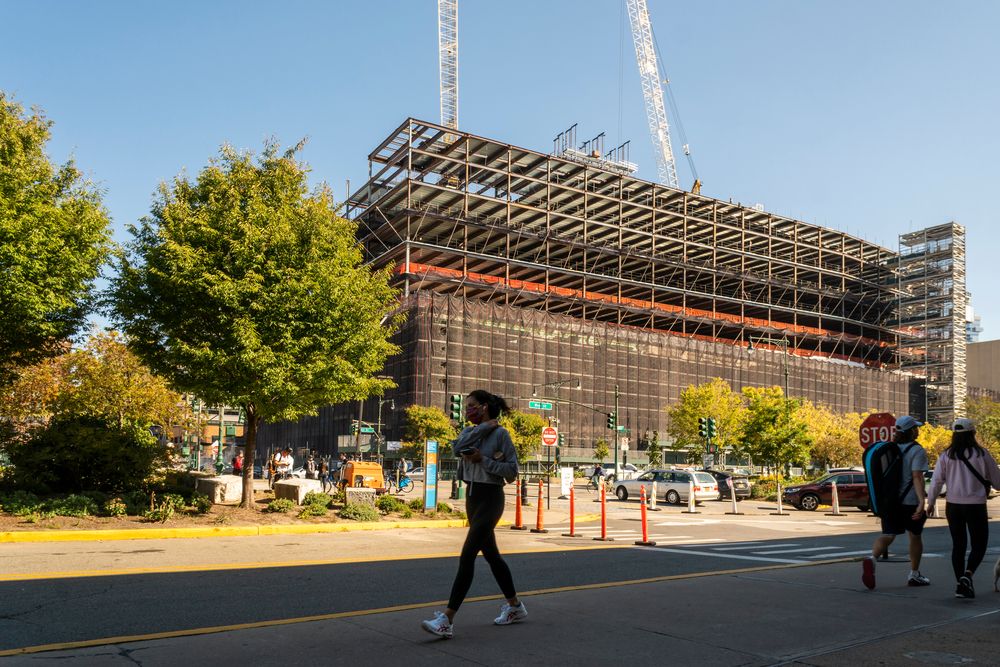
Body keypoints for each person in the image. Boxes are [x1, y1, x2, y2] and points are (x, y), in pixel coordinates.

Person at [421, 390, 525, 639]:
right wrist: (484, 427)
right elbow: (458, 447)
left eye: (472, 405)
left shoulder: (501, 435)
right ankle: (515, 607)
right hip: (472, 496)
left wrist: (484, 460)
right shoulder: (470, 432)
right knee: (492, 556)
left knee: (467, 555)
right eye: (467, 406)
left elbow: (512, 471)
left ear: (485, 406)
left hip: (491, 497)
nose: (468, 410)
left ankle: (447, 618)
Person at [926, 418, 1000, 599]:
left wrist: (931, 502)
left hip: (953, 506)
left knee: (958, 546)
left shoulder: (946, 455)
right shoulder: (982, 454)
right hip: (975, 506)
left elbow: (936, 481)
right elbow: (998, 482)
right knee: (979, 544)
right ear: (973, 434)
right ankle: (968, 575)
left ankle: (961, 584)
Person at [862, 415, 930, 590]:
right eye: (916, 428)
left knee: (888, 534)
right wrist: (922, 501)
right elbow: (917, 477)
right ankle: (914, 574)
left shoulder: (888, 449)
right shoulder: (917, 450)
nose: (918, 430)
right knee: (915, 536)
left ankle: (872, 559)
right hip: (910, 502)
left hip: (890, 502)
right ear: (912, 431)